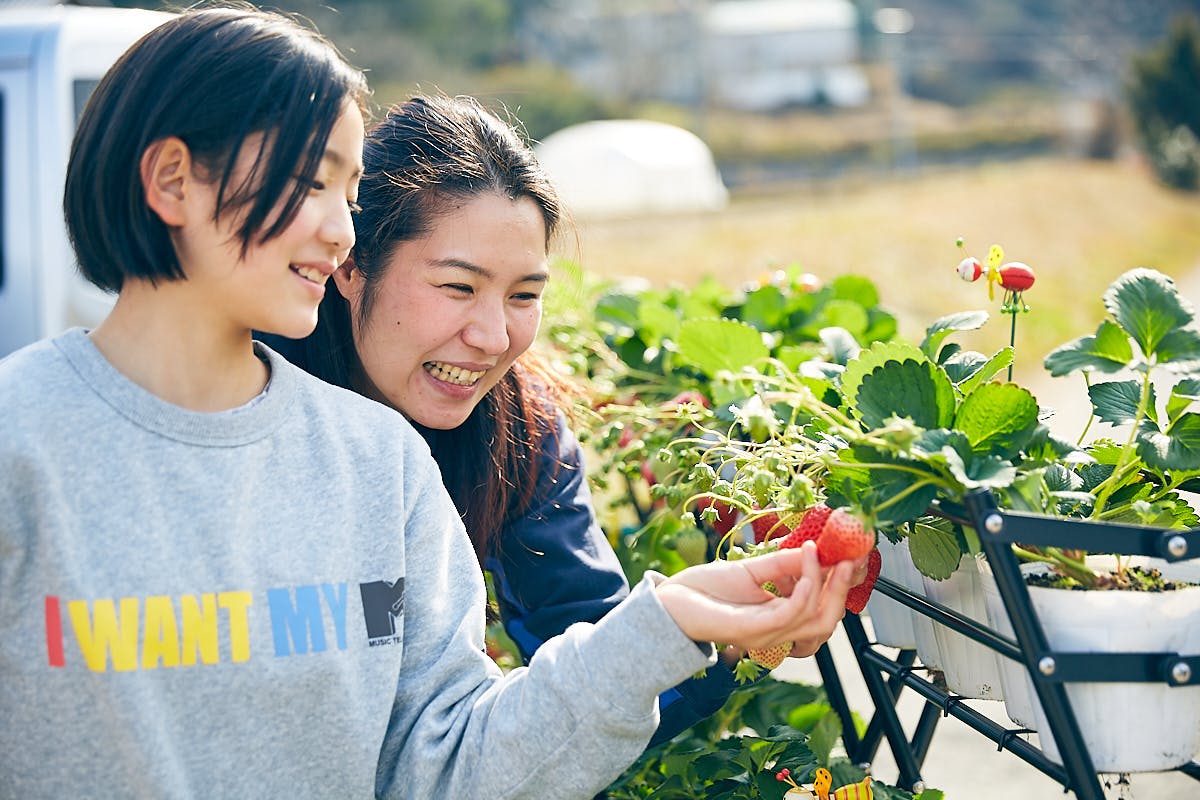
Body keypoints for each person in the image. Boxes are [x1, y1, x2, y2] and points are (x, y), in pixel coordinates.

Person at [0, 6, 862, 799]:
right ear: (173, 180)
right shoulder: (22, 445)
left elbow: (444, 765)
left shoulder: (380, 462)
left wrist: (669, 625)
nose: (341, 226)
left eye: (348, 192)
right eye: (313, 183)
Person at [260, 93, 751, 747]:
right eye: (458, 287)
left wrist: (713, 635)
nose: (494, 337)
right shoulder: (246, 409)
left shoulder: (519, 437)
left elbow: (593, 660)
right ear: (351, 266)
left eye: (524, 296)